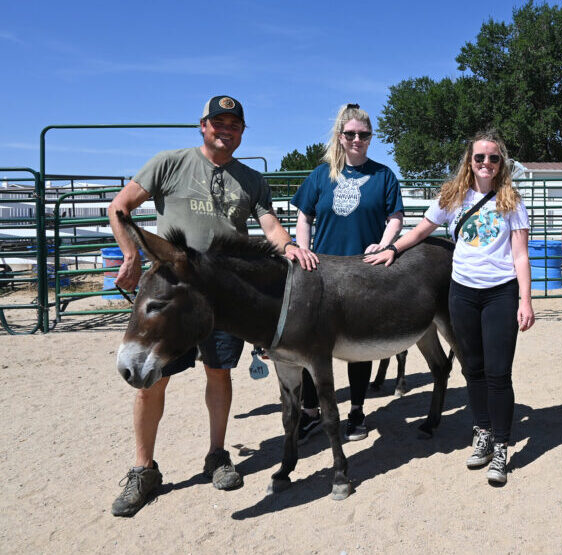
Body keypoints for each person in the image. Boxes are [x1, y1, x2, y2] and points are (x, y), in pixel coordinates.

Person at [107, 95, 318, 517]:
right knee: (152, 382)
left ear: (242, 132)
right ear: (202, 126)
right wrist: (130, 254)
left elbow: (270, 225)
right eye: (218, 122)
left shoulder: (252, 180)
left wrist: (292, 247)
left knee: (219, 374)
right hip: (173, 292)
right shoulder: (169, 163)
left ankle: (218, 455)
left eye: (234, 125)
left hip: (222, 295)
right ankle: (143, 468)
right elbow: (120, 206)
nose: (226, 130)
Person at [365, 131, 534, 486]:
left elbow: (520, 255)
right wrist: (392, 249)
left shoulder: (511, 200)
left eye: (493, 158)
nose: (486, 164)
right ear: (469, 162)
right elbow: (422, 230)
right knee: (472, 368)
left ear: (501, 163)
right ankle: (483, 432)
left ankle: (501, 446)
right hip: (463, 293)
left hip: (500, 293)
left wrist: (526, 300)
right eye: (479, 158)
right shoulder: (453, 196)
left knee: (498, 373)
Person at [289, 103, 404, 443]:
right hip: (320, 272)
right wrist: (303, 249)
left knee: (358, 344)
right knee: (310, 345)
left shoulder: (383, 175)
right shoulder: (320, 175)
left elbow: (394, 216)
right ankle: (311, 412)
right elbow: (304, 217)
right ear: (340, 137)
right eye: (351, 134)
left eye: (364, 135)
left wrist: (384, 245)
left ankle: (356, 411)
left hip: (361, 272)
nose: (357, 139)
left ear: (370, 138)